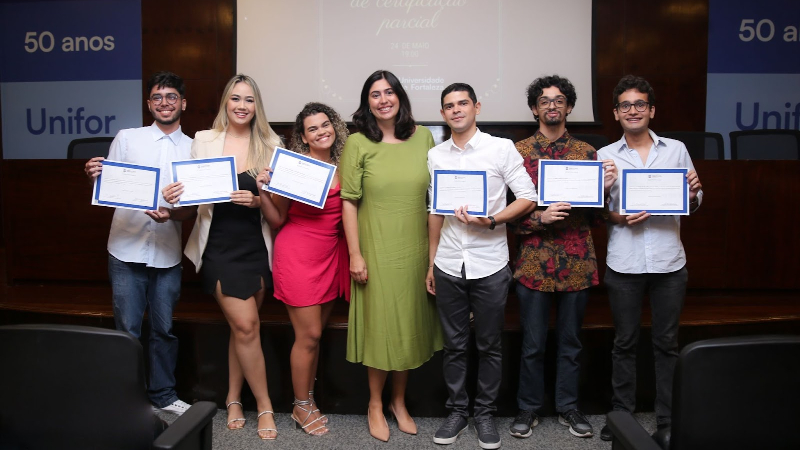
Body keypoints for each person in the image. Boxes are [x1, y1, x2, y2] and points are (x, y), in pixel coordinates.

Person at [163, 74, 281, 440]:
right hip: (217, 246)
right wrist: (177, 197)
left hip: (255, 247)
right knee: (247, 327)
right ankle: (264, 406)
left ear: (256, 106)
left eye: (248, 99)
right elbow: (195, 196)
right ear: (225, 104)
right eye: (235, 99)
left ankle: (232, 398)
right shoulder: (205, 139)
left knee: (241, 330)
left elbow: (278, 210)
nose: (241, 106)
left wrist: (259, 198)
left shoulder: (272, 143)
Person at [426, 83, 537, 450]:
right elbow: (435, 212)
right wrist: (432, 263)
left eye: (462, 104)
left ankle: (485, 414)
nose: (456, 110)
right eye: (449, 106)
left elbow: (528, 197)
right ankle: (457, 411)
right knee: (455, 345)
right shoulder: (436, 155)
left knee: (489, 345)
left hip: (489, 263)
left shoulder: (500, 148)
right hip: (448, 263)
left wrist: (492, 220)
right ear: (443, 114)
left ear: (476, 107)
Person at [509, 75, 617, 440]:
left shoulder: (588, 154)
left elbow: (599, 218)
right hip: (534, 263)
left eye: (559, 101)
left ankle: (569, 407)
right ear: (534, 108)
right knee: (532, 343)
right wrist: (537, 217)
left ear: (569, 107)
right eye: (544, 101)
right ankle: (528, 408)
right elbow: (504, 214)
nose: (551, 106)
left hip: (577, 262)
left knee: (571, 343)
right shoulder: (518, 152)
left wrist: (603, 189)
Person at [596, 75, 703, 444]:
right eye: (625, 105)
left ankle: (669, 422)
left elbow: (694, 201)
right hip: (624, 262)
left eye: (640, 104)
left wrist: (691, 194)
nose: (633, 111)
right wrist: (611, 200)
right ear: (616, 113)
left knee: (666, 344)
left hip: (668, 263)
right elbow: (599, 213)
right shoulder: (605, 156)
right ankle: (621, 419)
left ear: (651, 110)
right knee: (623, 343)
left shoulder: (675, 150)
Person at [340, 69, 443, 442]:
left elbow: (437, 198)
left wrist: (432, 259)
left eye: (389, 92)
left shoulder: (425, 137)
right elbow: (348, 203)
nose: (383, 100)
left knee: (409, 326)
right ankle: (374, 403)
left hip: (415, 251)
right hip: (376, 251)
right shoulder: (357, 144)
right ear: (367, 102)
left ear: (400, 96)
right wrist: (355, 255)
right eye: (375, 94)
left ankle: (399, 402)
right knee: (381, 328)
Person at [84, 71, 193, 415]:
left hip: (167, 252)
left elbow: (192, 212)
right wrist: (95, 175)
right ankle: (125, 398)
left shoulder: (195, 149)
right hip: (125, 248)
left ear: (183, 103)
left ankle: (163, 394)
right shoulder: (127, 139)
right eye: (158, 97)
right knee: (127, 331)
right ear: (149, 104)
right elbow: (109, 189)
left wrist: (173, 215)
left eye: (172, 96)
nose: (165, 103)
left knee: (164, 329)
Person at [255, 102, 350, 436]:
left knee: (315, 336)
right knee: (307, 336)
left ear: (334, 127)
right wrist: (264, 190)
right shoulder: (294, 168)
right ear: (303, 137)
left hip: (330, 256)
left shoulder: (344, 165)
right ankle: (300, 405)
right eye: (313, 128)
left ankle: (307, 399)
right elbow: (278, 219)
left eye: (326, 125)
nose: (321, 131)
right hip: (297, 255)